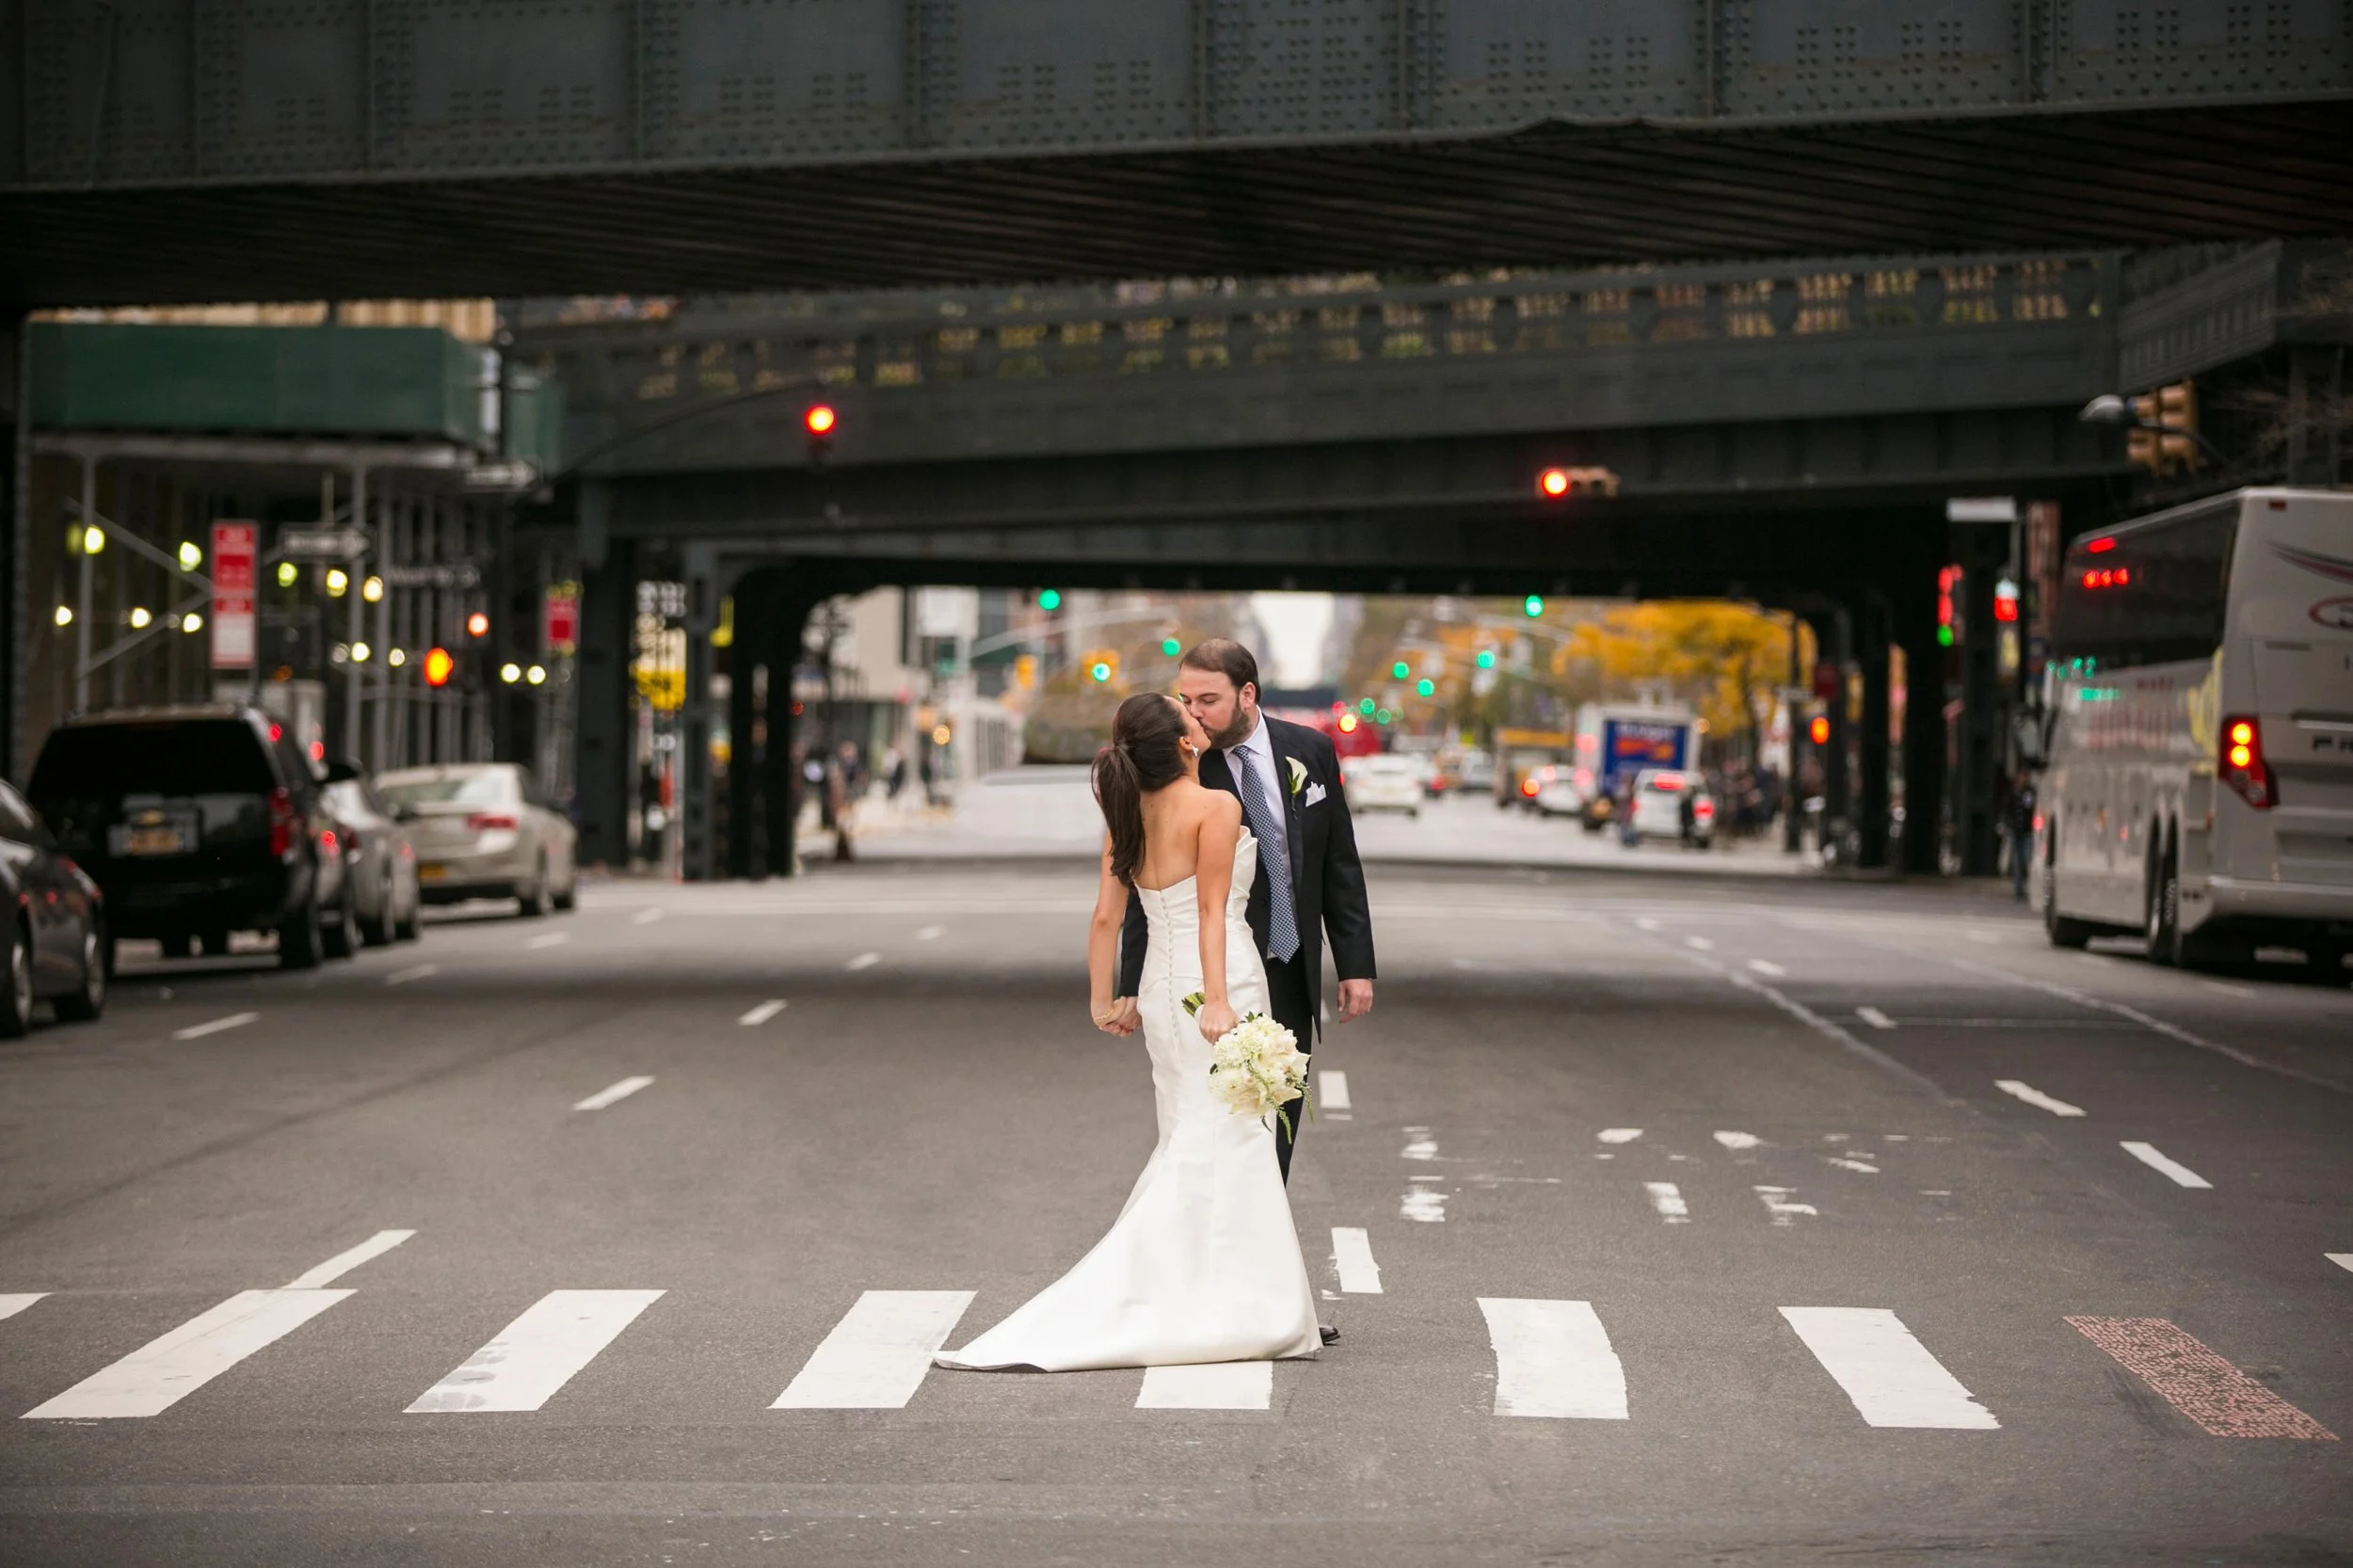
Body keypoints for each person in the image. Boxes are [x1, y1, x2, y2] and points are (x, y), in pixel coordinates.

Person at [933, 692, 1321, 1373]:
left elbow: (1105, 919)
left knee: (1191, 1132)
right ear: (1181, 745)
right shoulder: (1215, 808)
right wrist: (1221, 1002)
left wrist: (1102, 1000)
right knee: (1228, 1135)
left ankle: (1204, 1287)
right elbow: (1209, 912)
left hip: (1162, 990)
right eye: (1188, 715)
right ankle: (1231, 1299)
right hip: (1216, 979)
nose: (1200, 719)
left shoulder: (1126, 814)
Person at [1113, 639, 1375, 1184]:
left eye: (1207, 699)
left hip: (1292, 962)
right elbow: (1146, 884)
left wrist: (1354, 964)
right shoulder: (1185, 769)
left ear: (1248, 694)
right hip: (1218, 972)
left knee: (1280, 1108)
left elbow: (1338, 862)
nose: (1193, 713)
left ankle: (1261, 1221)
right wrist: (1132, 980)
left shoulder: (1312, 750)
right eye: (1186, 699)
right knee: (1222, 1117)